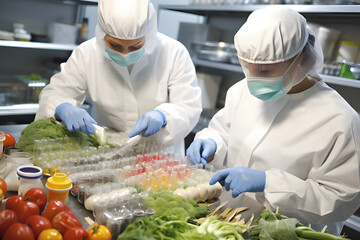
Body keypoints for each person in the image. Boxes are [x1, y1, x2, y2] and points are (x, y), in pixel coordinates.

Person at [186, 6, 360, 235]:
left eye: (266, 71)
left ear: (300, 59)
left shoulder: (339, 120)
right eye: (248, 68)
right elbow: (225, 131)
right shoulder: (240, 92)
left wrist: (268, 183)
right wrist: (212, 142)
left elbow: (338, 201)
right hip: (226, 226)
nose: (254, 79)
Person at [35, 0, 202, 155]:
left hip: (160, 157)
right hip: (109, 153)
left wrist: (164, 116)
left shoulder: (174, 53)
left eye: (135, 46)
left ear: (149, 34)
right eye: (115, 45)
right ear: (102, 33)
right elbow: (55, 93)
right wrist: (62, 107)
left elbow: (188, 106)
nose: (124, 54)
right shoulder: (86, 54)